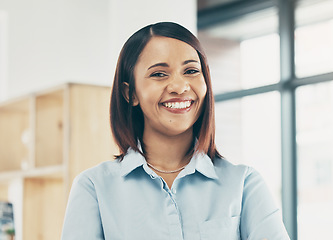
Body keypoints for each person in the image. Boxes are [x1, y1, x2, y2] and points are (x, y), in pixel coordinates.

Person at [61, 22, 290, 240]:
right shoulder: (94, 187)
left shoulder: (244, 184)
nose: (180, 87)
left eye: (191, 71)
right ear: (129, 93)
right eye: (159, 74)